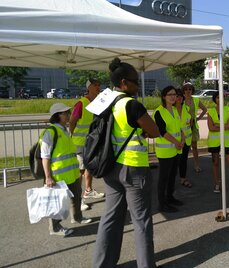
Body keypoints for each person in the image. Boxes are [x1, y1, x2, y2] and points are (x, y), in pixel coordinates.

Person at [93, 58, 160, 268]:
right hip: (134, 169)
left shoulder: (104, 102)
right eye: (134, 81)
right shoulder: (131, 104)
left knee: (110, 219)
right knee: (141, 221)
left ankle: (102, 264)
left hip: (110, 167)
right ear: (123, 83)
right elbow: (155, 131)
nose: (137, 86)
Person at [41, 103, 92, 237]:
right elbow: (45, 157)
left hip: (72, 174)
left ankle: (77, 217)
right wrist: (48, 177)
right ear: (58, 116)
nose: (69, 115)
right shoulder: (50, 132)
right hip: (59, 176)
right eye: (66, 113)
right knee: (57, 203)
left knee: (76, 197)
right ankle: (55, 228)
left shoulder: (65, 130)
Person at [69, 78, 104, 212]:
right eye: (95, 85)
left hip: (91, 143)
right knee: (80, 172)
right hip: (80, 144)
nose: (98, 87)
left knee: (88, 168)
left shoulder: (97, 102)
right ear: (88, 87)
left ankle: (88, 190)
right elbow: (72, 121)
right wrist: (72, 135)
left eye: (99, 85)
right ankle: (78, 200)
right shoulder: (81, 103)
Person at [153, 86, 185, 213]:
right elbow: (162, 132)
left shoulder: (175, 110)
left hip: (176, 149)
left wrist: (182, 139)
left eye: (174, 94)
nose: (173, 96)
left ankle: (170, 198)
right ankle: (162, 204)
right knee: (164, 178)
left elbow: (180, 128)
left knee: (173, 176)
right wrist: (177, 142)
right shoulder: (159, 112)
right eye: (169, 94)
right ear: (164, 97)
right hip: (165, 151)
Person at [207, 91, 229, 195]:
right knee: (215, 163)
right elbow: (211, 128)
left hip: (227, 142)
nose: (220, 99)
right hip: (214, 142)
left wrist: (217, 125)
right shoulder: (211, 111)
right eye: (218, 97)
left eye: (221, 97)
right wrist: (223, 125)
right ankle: (217, 183)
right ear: (215, 99)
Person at [182, 82, 207, 173]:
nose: (188, 91)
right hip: (183, 127)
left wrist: (198, 118)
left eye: (190, 89)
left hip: (193, 127)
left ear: (192, 90)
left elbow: (205, 109)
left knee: (194, 147)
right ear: (183, 91)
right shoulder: (181, 100)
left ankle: (196, 165)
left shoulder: (195, 100)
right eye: (186, 89)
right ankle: (181, 165)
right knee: (184, 147)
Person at [175, 88, 193, 188]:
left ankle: (183, 178)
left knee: (183, 160)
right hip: (175, 140)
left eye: (181, 96)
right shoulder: (171, 110)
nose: (179, 98)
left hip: (186, 140)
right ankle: (172, 180)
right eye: (177, 96)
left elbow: (190, 120)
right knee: (175, 161)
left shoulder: (186, 108)